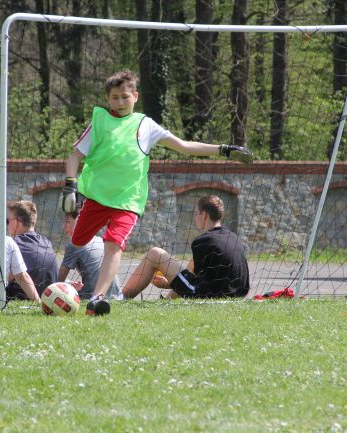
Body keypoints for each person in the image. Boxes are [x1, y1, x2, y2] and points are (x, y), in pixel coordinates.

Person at [60, 69, 253, 315]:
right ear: (108, 99)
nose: (120, 102)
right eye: (115, 97)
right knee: (78, 241)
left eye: (125, 97)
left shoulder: (145, 126)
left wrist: (223, 150)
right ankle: (78, 290)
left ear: (135, 96)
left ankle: (97, 299)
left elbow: (184, 146)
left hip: (128, 201)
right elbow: (75, 156)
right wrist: (70, 184)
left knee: (113, 244)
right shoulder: (99, 122)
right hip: (97, 197)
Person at [122, 196, 250, 299]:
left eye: (197, 213)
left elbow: (194, 280)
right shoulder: (234, 237)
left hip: (209, 296)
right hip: (239, 295)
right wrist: (170, 285)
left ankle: (121, 297)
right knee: (190, 267)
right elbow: (190, 275)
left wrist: (167, 284)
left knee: (155, 254)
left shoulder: (203, 241)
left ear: (204, 215)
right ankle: (167, 301)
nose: (196, 217)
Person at [58, 210, 120, 300]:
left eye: (67, 222)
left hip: (93, 296)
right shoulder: (99, 240)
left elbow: (59, 280)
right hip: (116, 296)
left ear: (79, 221)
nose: (64, 226)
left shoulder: (74, 245)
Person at [5, 200, 59, 298]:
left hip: (22, 299)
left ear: (17, 222)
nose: (7, 225)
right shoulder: (47, 242)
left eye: (8, 221)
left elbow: (3, 276)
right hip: (49, 297)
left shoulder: (13, 243)